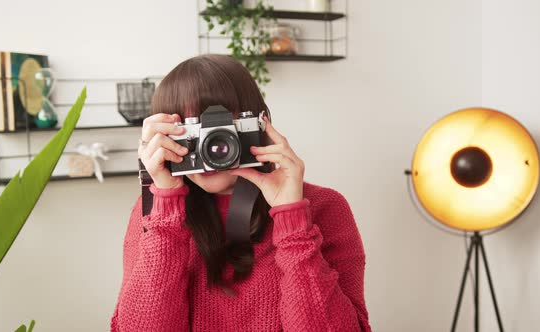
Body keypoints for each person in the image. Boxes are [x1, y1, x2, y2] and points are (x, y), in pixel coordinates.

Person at [110, 54, 371, 331]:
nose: (210, 148)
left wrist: (293, 221)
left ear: (259, 125)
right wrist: (165, 207)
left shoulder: (324, 207)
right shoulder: (153, 214)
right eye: (192, 134)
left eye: (221, 130)